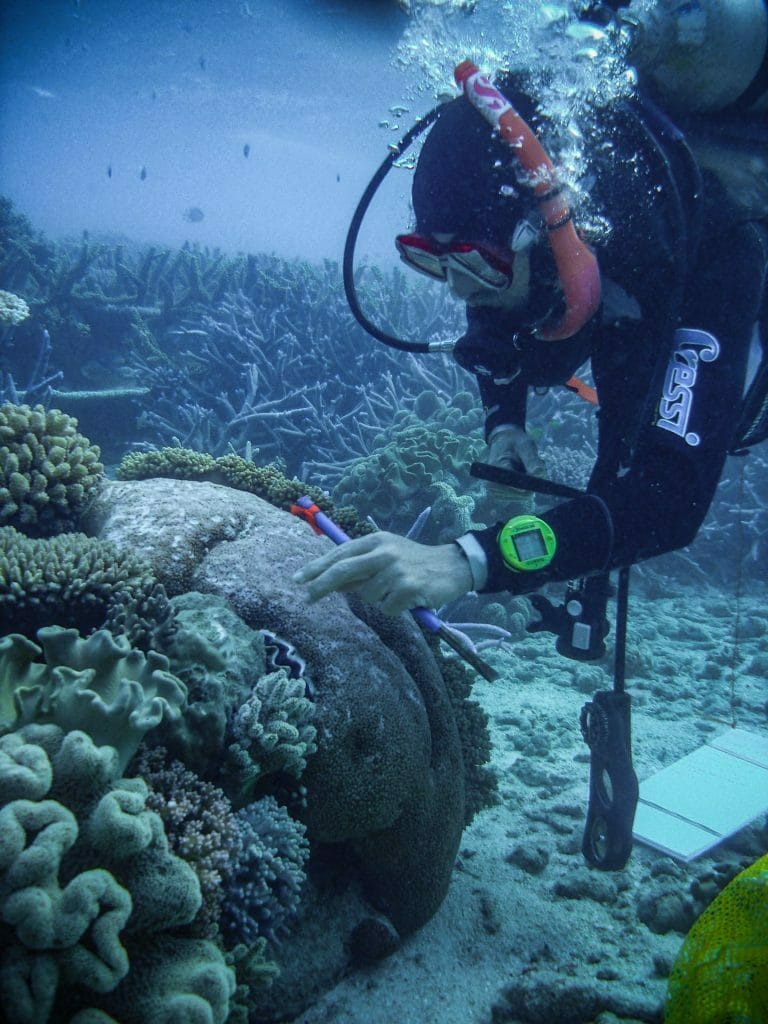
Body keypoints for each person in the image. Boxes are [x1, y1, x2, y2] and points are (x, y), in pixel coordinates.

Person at [294, 28, 768, 635]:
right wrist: (506, 423)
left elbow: (668, 501)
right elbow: (497, 333)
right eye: (434, 260)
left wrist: (468, 560)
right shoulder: (524, 264)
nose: (459, 290)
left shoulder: (715, 256)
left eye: (475, 263)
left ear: (551, 239)